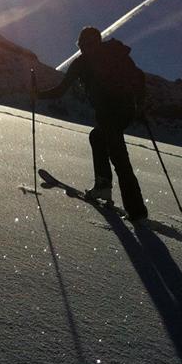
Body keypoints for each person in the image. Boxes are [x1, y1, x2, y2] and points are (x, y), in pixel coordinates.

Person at [37, 26, 148, 222]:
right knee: (98, 137)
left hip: (111, 112)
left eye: (85, 44)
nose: (85, 47)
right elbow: (138, 77)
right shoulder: (112, 55)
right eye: (83, 45)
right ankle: (104, 187)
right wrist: (139, 100)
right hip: (124, 110)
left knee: (119, 157)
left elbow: (61, 90)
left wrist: (37, 94)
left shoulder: (84, 62)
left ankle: (136, 210)